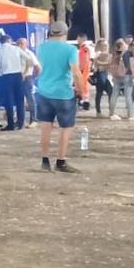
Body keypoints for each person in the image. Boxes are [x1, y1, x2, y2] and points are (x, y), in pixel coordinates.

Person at [35, 22, 85, 173]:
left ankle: (44, 161)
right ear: (65, 33)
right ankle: (60, 161)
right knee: (65, 128)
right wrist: (81, 90)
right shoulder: (70, 49)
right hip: (63, 93)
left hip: (43, 91)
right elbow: (76, 72)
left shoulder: (41, 48)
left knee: (45, 126)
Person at [0, 34, 29, 131]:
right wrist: (23, 70)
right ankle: (21, 123)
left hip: (5, 77)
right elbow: (28, 58)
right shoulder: (16, 49)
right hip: (17, 75)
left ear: (0, 42)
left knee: (8, 101)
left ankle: (11, 124)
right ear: (10, 40)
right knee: (19, 100)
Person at [16, 38, 40, 128]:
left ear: (26, 44)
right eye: (18, 43)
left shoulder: (29, 53)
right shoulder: (16, 54)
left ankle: (34, 119)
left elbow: (37, 66)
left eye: (22, 43)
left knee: (30, 99)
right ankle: (20, 121)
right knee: (19, 100)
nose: (20, 45)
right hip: (18, 79)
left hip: (27, 78)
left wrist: (33, 77)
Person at [108, 39, 134, 120]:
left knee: (114, 95)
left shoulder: (114, 53)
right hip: (127, 76)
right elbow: (129, 65)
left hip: (116, 76)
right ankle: (130, 115)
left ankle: (111, 113)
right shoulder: (126, 53)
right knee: (128, 96)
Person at [92, 39, 114, 118]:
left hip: (106, 74)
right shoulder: (97, 53)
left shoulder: (108, 54)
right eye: (103, 45)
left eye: (105, 45)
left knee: (110, 92)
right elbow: (97, 63)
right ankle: (98, 112)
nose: (104, 47)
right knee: (99, 93)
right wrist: (107, 63)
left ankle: (111, 111)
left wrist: (106, 63)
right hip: (100, 73)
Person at [76, 34, 94, 110]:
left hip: (83, 70)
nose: (77, 40)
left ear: (82, 39)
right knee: (82, 86)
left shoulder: (85, 48)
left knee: (83, 86)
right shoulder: (82, 48)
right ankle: (83, 101)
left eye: (78, 38)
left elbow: (85, 60)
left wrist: (81, 68)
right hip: (83, 70)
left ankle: (85, 102)